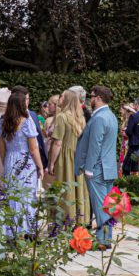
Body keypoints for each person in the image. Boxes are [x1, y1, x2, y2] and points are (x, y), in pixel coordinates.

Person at [74, 86, 119, 246]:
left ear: (98, 98)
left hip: (98, 169)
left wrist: (88, 169)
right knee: (107, 206)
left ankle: (103, 240)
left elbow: (95, 145)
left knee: (101, 206)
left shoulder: (99, 118)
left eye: (91, 96)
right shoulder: (111, 116)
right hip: (108, 168)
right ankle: (104, 239)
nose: (89, 100)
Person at [0, 89, 44, 234]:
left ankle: (13, 231)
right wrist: (40, 166)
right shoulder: (26, 122)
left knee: (12, 195)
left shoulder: (2, 122)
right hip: (26, 161)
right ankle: (27, 230)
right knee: (27, 195)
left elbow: (2, 149)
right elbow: (33, 149)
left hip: (10, 160)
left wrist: (6, 163)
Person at [47, 89, 90, 227]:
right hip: (77, 156)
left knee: (64, 189)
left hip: (65, 158)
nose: (59, 99)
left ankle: (64, 220)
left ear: (67, 100)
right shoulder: (80, 117)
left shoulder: (62, 117)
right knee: (78, 189)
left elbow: (58, 142)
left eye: (61, 97)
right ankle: (79, 219)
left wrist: (51, 163)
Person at [11, 85, 48, 170]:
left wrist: (42, 160)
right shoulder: (7, 118)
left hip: (35, 159)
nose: (26, 102)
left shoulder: (33, 115)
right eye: (24, 99)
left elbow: (39, 139)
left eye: (27, 99)